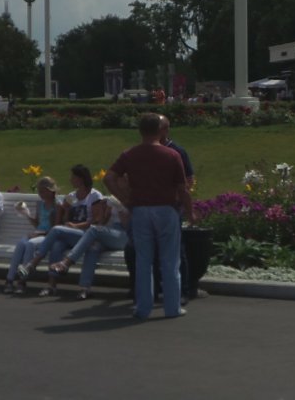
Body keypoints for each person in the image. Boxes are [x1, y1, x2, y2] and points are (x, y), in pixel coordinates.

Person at [105, 113, 194, 320]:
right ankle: (172, 307)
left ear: (140, 131)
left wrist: (125, 198)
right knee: (170, 261)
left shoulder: (129, 154)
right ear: (161, 130)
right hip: (166, 209)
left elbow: (109, 177)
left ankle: (143, 307)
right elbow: (183, 189)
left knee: (143, 261)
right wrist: (190, 212)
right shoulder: (172, 155)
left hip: (141, 210)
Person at [124, 115, 198, 302]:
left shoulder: (176, 152)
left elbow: (187, 181)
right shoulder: (144, 152)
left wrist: (182, 202)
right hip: (150, 206)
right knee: (142, 252)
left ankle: (181, 292)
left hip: (169, 206)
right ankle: (151, 292)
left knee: (173, 254)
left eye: (164, 128)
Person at [16, 164, 101, 296]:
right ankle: (51, 285)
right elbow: (65, 217)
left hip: (85, 234)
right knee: (56, 245)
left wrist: (76, 226)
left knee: (56, 230)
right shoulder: (72, 195)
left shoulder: (94, 195)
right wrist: (66, 211)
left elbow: (96, 220)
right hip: (71, 233)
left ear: (81, 178)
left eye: (73, 177)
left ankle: (32, 263)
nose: (70, 180)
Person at [49, 195, 130, 300]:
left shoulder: (131, 199)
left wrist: (120, 208)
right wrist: (104, 210)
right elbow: (103, 222)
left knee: (93, 230)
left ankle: (66, 262)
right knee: (93, 247)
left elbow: (128, 225)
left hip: (124, 236)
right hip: (110, 234)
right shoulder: (112, 199)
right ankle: (85, 288)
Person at [3, 176, 59, 294]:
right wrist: (27, 214)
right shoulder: (41, 205)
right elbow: (38, 223)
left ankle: (22, 281)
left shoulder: (57, 206)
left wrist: (39, 233)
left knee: (30, 244)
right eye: (39, 191)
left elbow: (55, 229)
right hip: (38, 234)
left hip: (48, 236)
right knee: (20, 244)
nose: (40, 194)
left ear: (50, 191)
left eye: (43, 191)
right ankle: (9, 279)